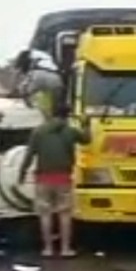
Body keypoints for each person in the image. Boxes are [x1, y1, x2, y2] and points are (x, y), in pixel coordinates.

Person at [18, 104, 91, 258]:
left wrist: (22, 174)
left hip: (43, 178)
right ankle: (65, 249)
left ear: (51, 114)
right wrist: (87, 124)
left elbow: (29, 155)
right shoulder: (70, 131)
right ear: (68, 116)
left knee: (45, 214)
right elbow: (87, 140)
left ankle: (48, 249)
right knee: (64, 214)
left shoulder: (38, 131)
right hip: (63, 178)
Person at [14, 48, 65, 116]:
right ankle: (56, 114)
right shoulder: (46, 57)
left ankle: (30, 103)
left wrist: (25, 96)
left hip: (40, 75)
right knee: (55, 105)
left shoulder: (29, 54)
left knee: (24, 89)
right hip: (56, 78)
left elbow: (20, 68)